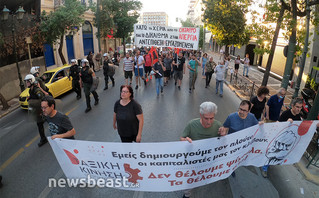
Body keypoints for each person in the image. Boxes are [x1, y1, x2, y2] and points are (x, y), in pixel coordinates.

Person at [181, 102, 226, 198]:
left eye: (212, 118)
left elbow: (222, 144)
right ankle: (187, 195)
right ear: (200, 115)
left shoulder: (218, 125)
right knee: (189, 179)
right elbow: (182, 138)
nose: (209, 122)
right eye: (206, 118)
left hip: (209, 160)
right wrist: (186, 140)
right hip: (193, 160)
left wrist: (223, 135)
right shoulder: (192, 124)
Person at [261, 98, 302, 178]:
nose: (299, 109)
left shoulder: (298, 116)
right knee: (272, 153)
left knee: (277, 155)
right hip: (279, 139)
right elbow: (278, 125)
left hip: (286, 141)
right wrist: (286, 122)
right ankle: (264, 168)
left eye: (300, 107)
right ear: (292, 106)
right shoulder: (286, 114)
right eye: (297, 107)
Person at [24, 74, 47, 147]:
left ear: (32, 81)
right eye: (26, 82)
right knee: (40, 125)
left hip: (42, 111)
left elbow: (42, 101)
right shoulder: (31, 90)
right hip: (37, 111)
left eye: (28, 82)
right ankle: (43, 139)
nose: (27, 83)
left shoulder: (37, 90)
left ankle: (58, 133)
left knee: (51, 121)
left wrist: (42, 111)